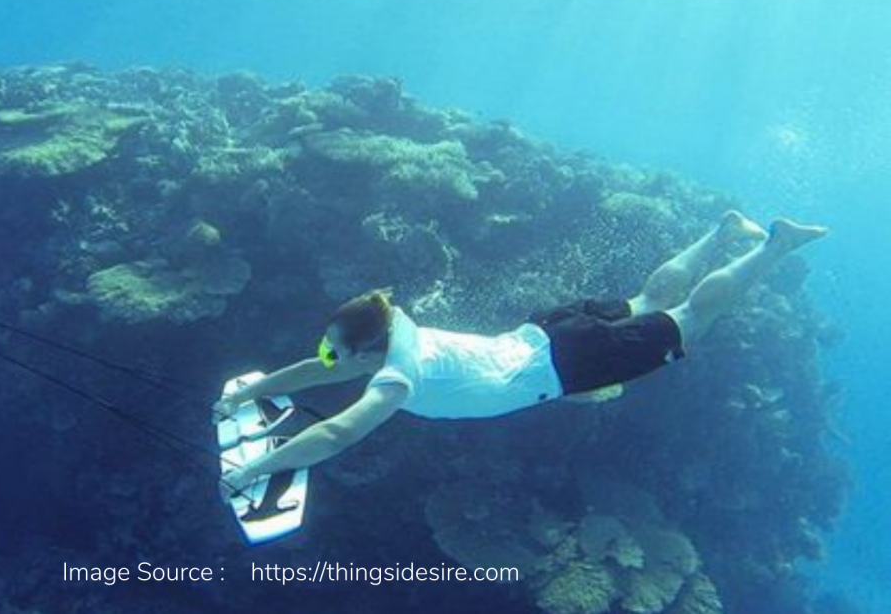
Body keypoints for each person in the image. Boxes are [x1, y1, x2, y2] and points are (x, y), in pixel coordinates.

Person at [215, 211, 828, 498]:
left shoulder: (396, 380)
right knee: (647, 298)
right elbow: (323, 367)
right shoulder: (392, 324)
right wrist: (252, 391)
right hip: (543, 332)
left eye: (333, 346)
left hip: (564, 363)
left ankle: (777, 245)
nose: (327, 354)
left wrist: (250, 472)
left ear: (365, 347)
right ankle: (722, 230)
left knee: (692, 320)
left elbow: (337, 436)